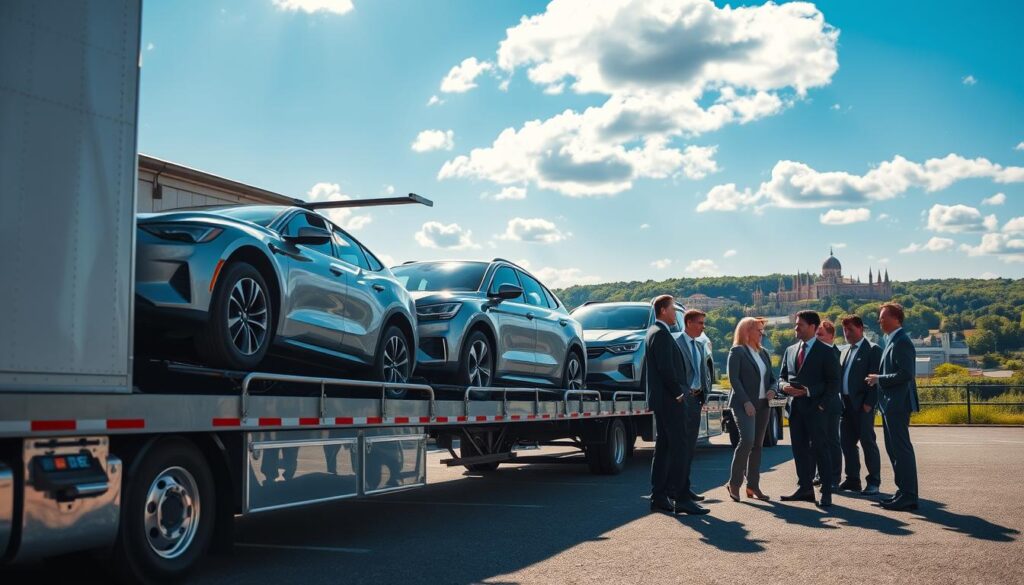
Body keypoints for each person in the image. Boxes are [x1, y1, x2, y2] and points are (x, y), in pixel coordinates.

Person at [645, 295, 708, 515]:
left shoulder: (655, 332)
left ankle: (659, 497)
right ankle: (681, 498)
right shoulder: (661, 334)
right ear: (663, 310)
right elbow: (665, 368)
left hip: (663, 400)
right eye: (673, 309)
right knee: (680, 447)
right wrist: (678, 393)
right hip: (671, 400)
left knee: (663, 448)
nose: (675, 313)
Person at [778, 310, 841, 508]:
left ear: (813, 327)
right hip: (795, 410)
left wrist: (811, 393)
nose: (796, 328)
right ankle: (805, 488)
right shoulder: (790, 350)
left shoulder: (826, 351)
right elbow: (781, 377)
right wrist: (783, 387)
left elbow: (834, 383)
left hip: (817, 409)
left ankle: (826, 492)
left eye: (800, 325)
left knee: (821, 449)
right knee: (800, 450)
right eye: (796, 324)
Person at [866, 303, 920, 511]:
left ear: (896, 318)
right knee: (894, 449)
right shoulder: (893, 339)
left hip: (897, 404)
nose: (879, 321)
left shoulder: (902, 341)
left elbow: (906, 374)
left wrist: (879, 378)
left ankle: (908, 495)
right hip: (891, 404)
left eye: (882, 317)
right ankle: (903, 492)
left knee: (901, 449)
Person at [725, 317, 777, 501]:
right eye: (759, 331)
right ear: (747, 331)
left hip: (763, 405)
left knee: (757, 446)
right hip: (743, 404)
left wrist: (772, 389)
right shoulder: (737, 351)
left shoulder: (763, 353)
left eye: (762, 331)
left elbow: (773, 378)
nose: (762, 334)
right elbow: (734, 379)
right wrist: (746, 401)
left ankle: (753, 486)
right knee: (747, 441)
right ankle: (734, 483)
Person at [838, 315, 883, 494]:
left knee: (867, 442)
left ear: (861, 329)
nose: (847, 333)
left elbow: (876, 378)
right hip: (846, 405)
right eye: (844, 330)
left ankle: (874, 482)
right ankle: (852, 479)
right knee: (846, 443)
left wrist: (869, 404)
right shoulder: (845, 351)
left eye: (850, 329)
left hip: (863, 405)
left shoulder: (873, 350)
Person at [674, 309, 712, 506]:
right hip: (684, 400)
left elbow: (703, 372)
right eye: (699, 323)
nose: (703, 327)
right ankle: (678, 491)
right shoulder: (676, 343)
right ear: (688, 323)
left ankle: (685, 489)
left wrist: (704, 393)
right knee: (681, 449)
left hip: (697, 401)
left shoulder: (699, 345)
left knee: (690, 449)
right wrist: (684, 393)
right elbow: (673, 373)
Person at [813, 320, 843, 492]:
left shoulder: (835, 353)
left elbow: (834, 382)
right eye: (816, 334)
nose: (817, 337)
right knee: (818, 441)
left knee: (832, 441)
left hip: (831, 404)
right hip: (817, 404)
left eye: (821, 334)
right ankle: (820, 474)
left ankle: (834, 477)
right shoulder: (816, 353)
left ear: (831, 336)